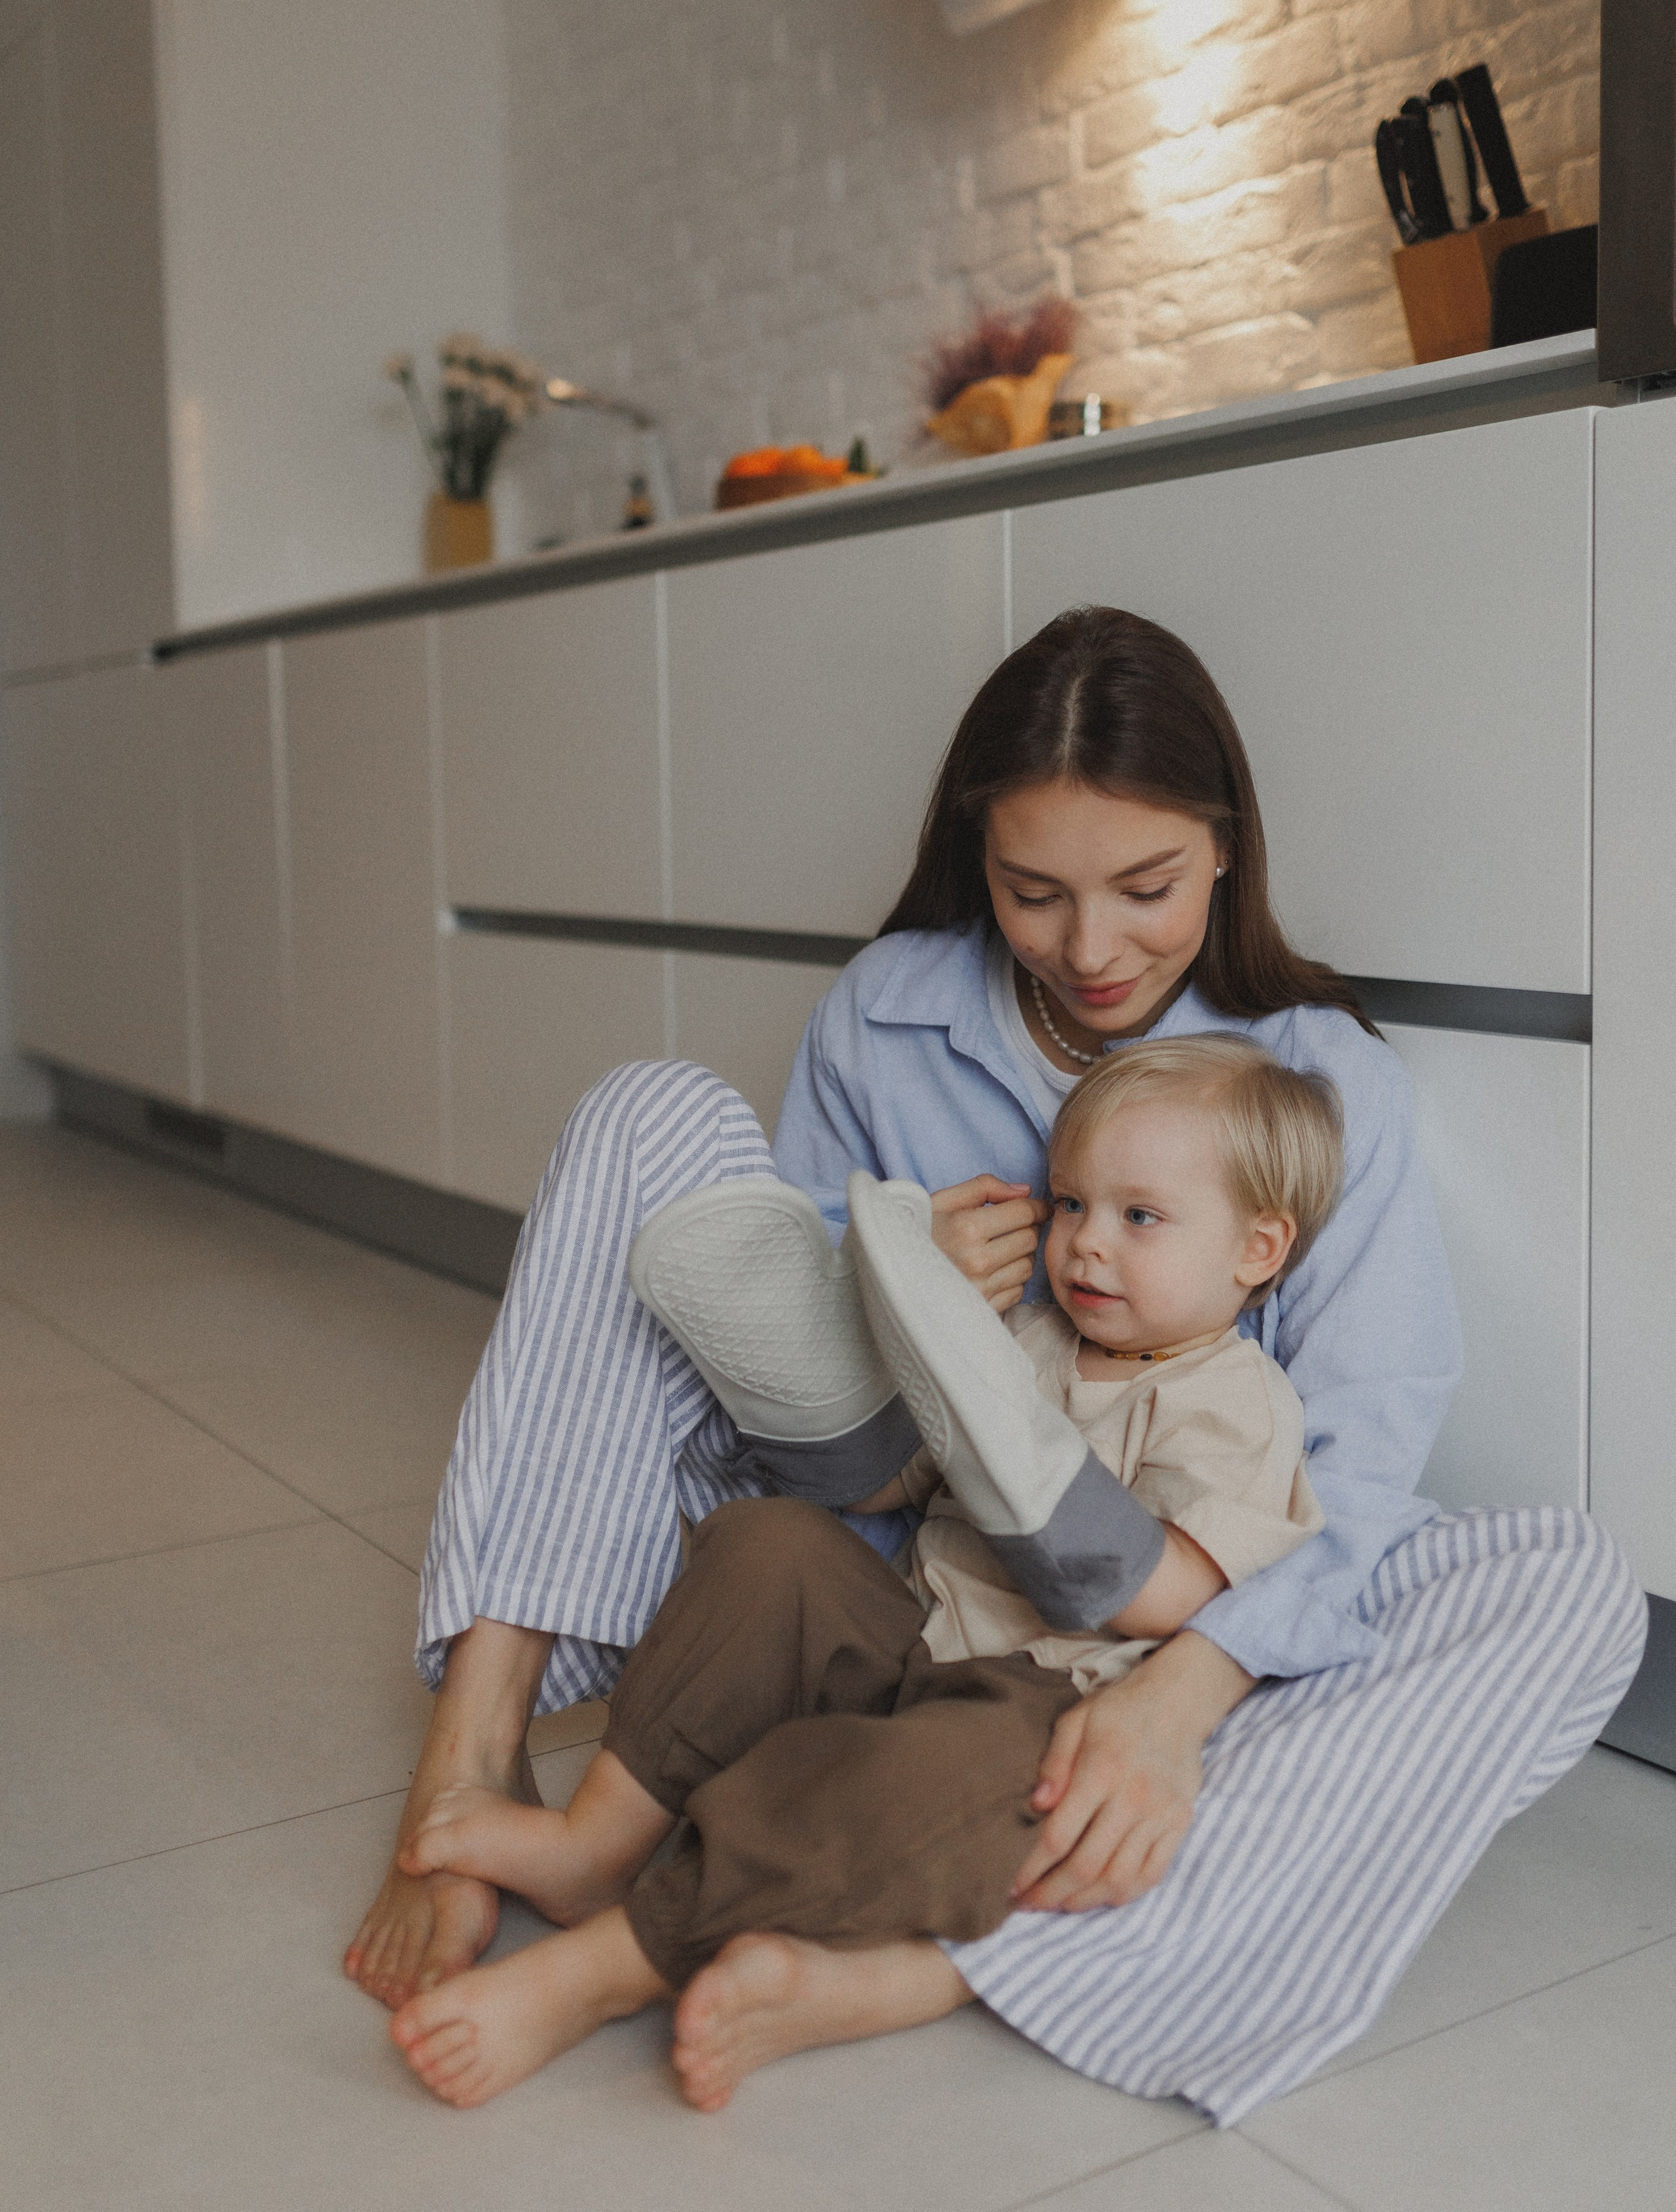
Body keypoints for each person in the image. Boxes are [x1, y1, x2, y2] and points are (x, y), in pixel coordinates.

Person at [345, 605, 1646, 2128]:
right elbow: (795, 1408)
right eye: (1033, 894)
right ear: (978, 863)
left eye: (1144, 887)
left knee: (1565, 1588)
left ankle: (934, 1962)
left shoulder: (1315, 1083)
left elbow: (1355, 1460)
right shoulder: (884, 1009)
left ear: (1224, 848)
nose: (1090, 950)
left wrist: (1177, 1702)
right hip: (860, 1563)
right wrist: (875, 1291)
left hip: (1121, 1653)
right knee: (644, 1114)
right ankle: (476, 1765)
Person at [385, 1035, 1339, 2109]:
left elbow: (1169, 1594)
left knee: (923, 1787)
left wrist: (1028, 1463)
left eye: (1139, 1218)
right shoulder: (1032, 1334)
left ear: (1258, 1250)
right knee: (769, 1545)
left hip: (1038, 1702)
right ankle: (596, 1842)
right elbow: (890, 1486)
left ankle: (608, 1968)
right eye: (1070, 1206)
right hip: (913, 1635)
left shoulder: (1238, 1405)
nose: (1086, 1249)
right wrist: (883, 1334)